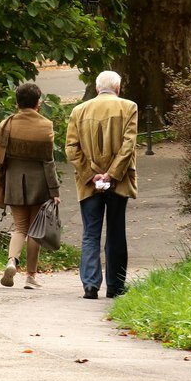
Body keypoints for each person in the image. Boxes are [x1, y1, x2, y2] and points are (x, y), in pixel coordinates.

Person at [65, 70, 138, 299]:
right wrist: (112, 174)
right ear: (118, 88)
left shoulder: (79, 110)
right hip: (119, 180)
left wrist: (92, 174)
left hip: (88, 183)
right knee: (116, 232)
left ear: (97, 88)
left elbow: (71, 148)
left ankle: (90, 284)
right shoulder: (129, 107)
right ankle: (115, 286)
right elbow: (129, 145)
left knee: (90, 232)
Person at [0, 82, 60, 289]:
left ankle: (11, 261)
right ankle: (31, 277)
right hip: (39, 183)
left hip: (14, 182)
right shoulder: (46, 126)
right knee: (35, 230)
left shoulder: (6, 124)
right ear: (38, 104)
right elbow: (48, 162)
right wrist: (54, 191)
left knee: (19, 227)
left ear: (17, 102)